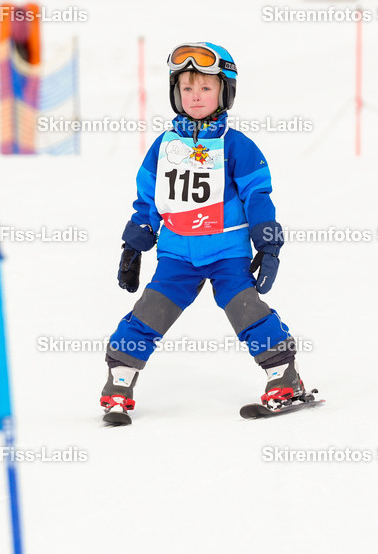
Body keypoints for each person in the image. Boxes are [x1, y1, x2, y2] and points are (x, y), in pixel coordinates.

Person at [99, 42, 309, 425]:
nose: (195, 97)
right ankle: (119, 383)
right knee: (150, 312)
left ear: (224, 91)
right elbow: (149, 199)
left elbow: (257, 194)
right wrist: (134, 245)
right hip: (177, 255)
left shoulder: (236, 146)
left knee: (246, 310)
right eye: (187, 89)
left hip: (227, 252)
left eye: (205, 88)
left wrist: (268, 243)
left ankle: (284, 377)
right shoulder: (164, 147)